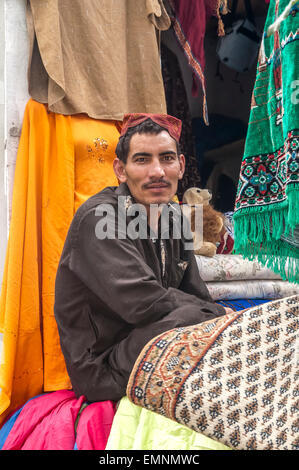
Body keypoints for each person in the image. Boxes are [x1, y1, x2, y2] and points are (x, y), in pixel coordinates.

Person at [54, 113, 229, 403]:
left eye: (167, 158)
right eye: (142, 160)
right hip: (104, 368)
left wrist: (215, 316)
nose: (157, 172)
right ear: (120, 170)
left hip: (153, 341)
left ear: (181, 166)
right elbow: (143, 303)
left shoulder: (174, 217)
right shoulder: (101, 217)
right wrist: (219, 315)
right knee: (202, 318)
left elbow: (195, 294)